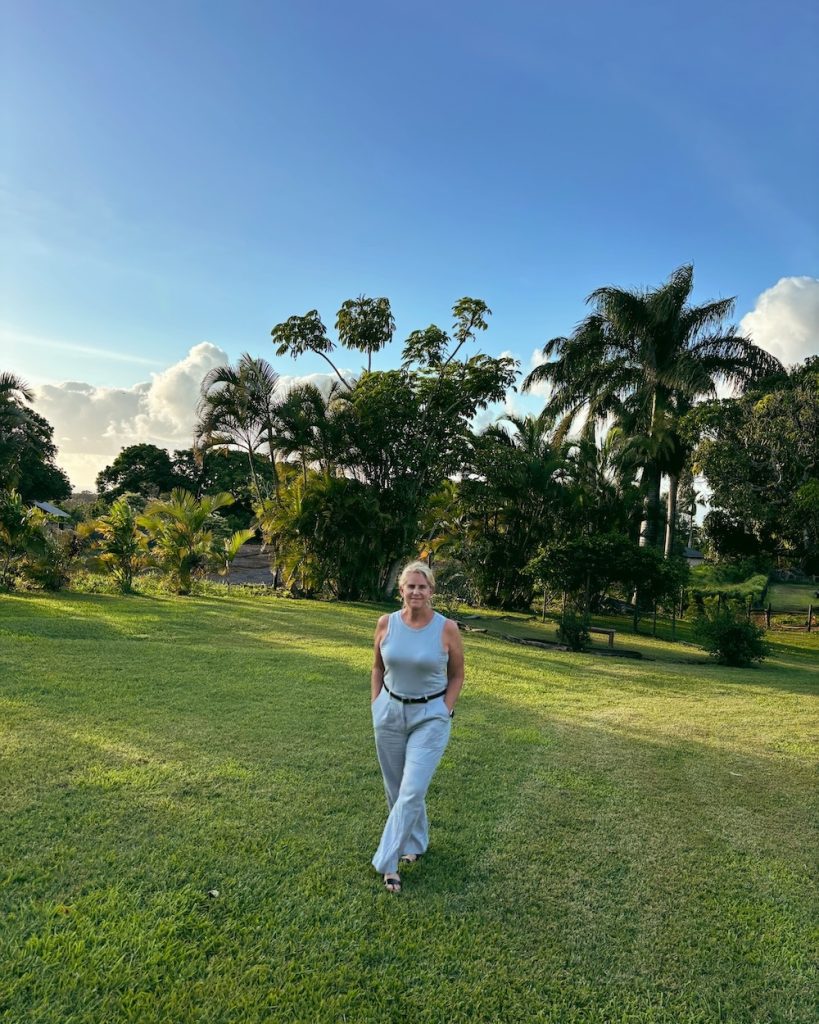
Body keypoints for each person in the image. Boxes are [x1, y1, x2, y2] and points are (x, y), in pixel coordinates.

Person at [370, 560, 464, 893]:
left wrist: (445, 709)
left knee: (412, 789)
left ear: (432, 591)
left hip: (430, 717)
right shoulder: (386, 624)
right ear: (401, 590)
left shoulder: (446, 628)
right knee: (397, 788)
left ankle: (388, 860)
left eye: (422, 586)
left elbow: (457, 675)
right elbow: (378, 668)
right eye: (410, 586)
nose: (416, 591)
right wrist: (376, 703)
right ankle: (416, 842)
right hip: (390, 713)